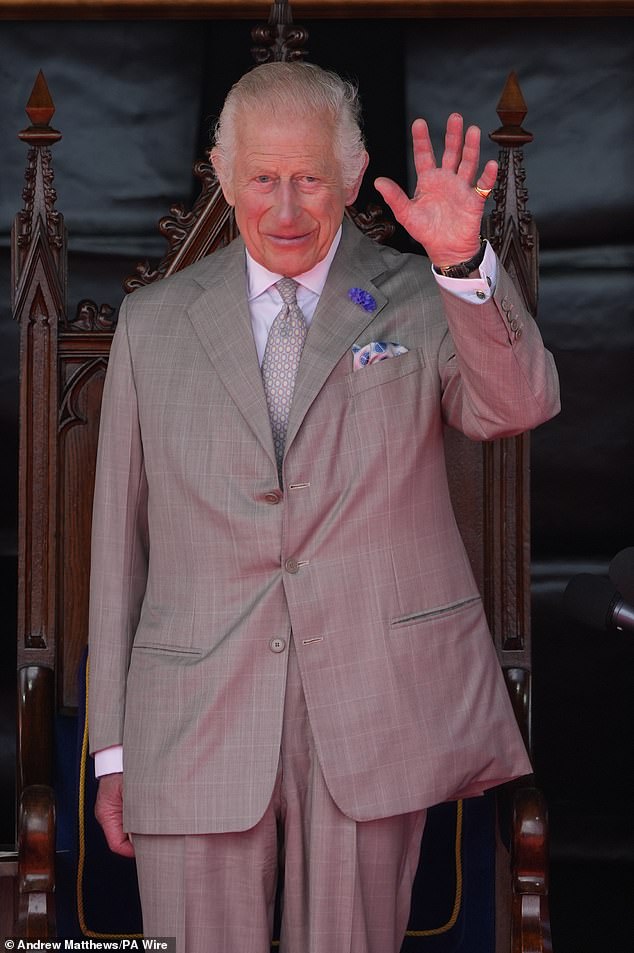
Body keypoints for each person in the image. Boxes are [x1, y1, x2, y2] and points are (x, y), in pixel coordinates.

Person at [88, 61, 560, 953]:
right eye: (262, 179)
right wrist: (113, 750)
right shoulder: (151, 323)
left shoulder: (422, 299)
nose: (287, 209)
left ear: (353, 174)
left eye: (310, 178)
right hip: (193, 715)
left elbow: (518, 404)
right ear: (223, 176)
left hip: (372, 709)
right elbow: (118, 544)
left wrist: (461, 264)